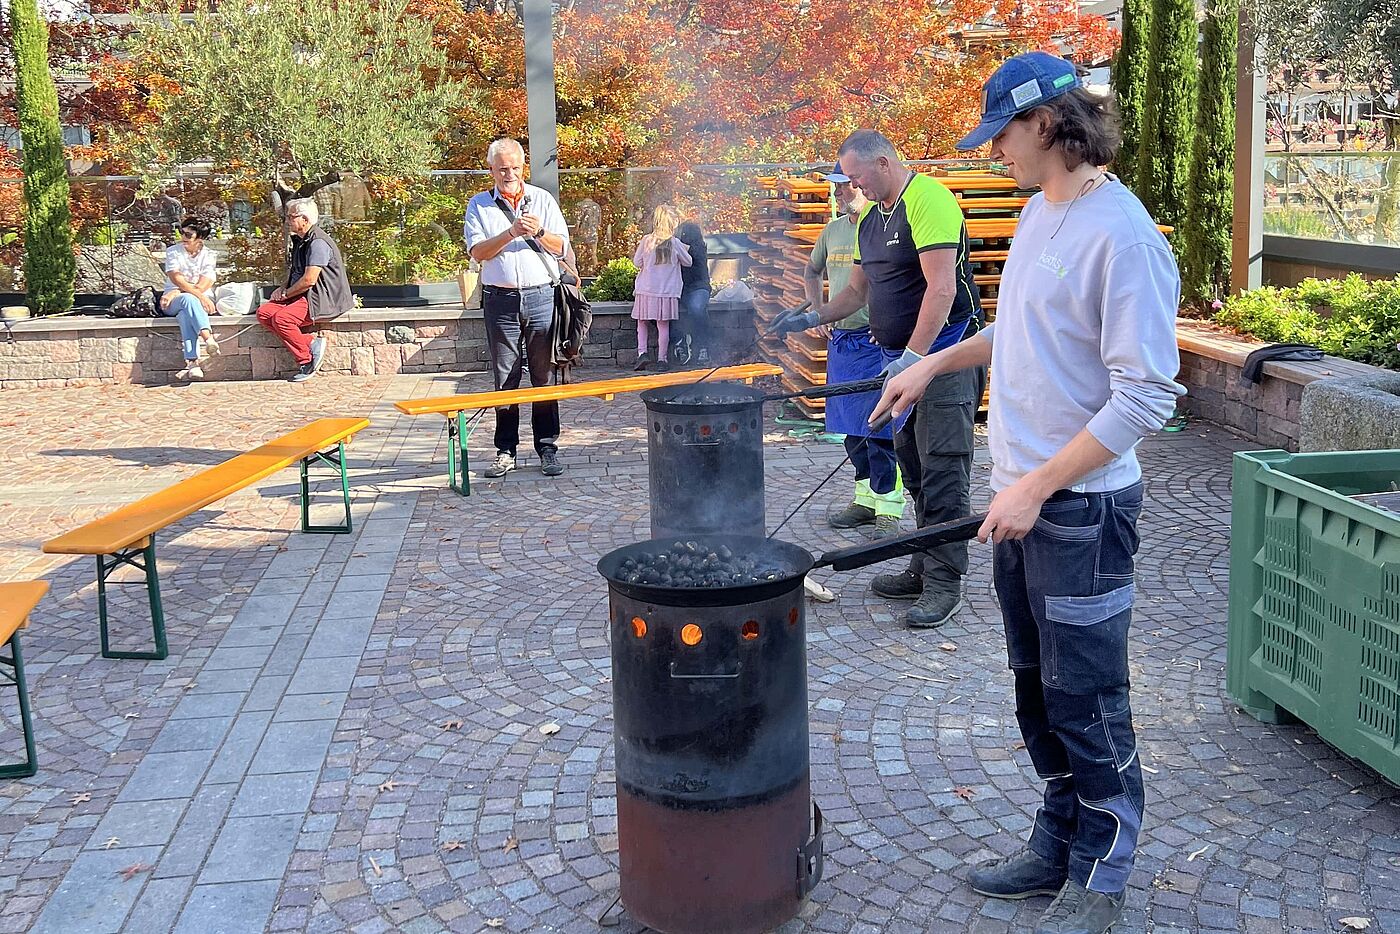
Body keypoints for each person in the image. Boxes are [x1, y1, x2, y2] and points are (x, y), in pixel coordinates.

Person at [871, 52, 1185, 934]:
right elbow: (1020, 330)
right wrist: (931, 359)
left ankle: (1104, 872)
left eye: (1001, 132)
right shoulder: (1046, 213)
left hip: (1081, 513)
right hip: (1023, 502)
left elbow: (1147, 395)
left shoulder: (1122, 235)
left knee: (1088, 697)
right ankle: (1058, 838)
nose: (993, 150)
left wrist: (1041, 486)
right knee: (1035, 688)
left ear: (1047, 123)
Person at [775, 129, 984, 628]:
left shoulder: (928, 199)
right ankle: (921, 561)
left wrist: (913, 357)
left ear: (884, 163)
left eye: (856, 176)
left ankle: (944, 581)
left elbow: (940, 289)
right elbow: (857, 293)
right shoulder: (870, 216)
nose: (852, 186)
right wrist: (810, 316)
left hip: (946, 356)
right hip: (900, 362)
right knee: (912, 466)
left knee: (944, 469)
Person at [801, 164, 905, 537]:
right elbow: (811, 273)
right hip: (843, 344)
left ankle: (889, 508)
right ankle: (864, 500)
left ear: (863, 184)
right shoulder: (832, 231)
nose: (838, 193)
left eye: (845, 186)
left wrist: (889, 322)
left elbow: (908, 281)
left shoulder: (885, 227)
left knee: (878, 430)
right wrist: (817, 311)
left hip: (874, 343)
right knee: (849, 429)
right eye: (835, 188)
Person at [463, 138, 571, 478]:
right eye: (501, 168)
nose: (508, 173)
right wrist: (511, 232)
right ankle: (505, 450)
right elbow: (478, 253)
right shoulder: (479, 205)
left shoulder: (543, 199)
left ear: (522, 167)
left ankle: (547, 447)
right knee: (505, 377)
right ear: (491, 170)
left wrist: (538, 231)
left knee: (544, 376)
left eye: (514, 167)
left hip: (541, 296)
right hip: (501, 299)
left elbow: (562, 247)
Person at [254, 198, 354, 382]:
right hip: (304, 295)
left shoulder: (318, 243)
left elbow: (309, 280)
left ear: (305, 220)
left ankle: (306, 361)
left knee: (283, 319)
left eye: (291, 217)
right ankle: (309, 342)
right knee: (264, 312)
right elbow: (297, 272)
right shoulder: (301, 240)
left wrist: (286, 295)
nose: (287, 221)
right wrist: (283, 287)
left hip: (321, 297)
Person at [631, 204, 692, 372]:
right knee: (662, 325)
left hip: (645, 289)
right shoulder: (674, 243)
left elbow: (637, 262)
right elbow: (689, 262)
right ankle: (662, 360)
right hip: (667, 291)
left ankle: (642, 353)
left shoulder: (647, 240)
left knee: (642, 323)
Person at [161, 218, 220, 381]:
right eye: (181, 232)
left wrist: (179, 292)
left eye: (188, 234)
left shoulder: (209, 255)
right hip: (172, 301)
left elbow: (206, 282)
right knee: (189, 300)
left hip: (185, 300)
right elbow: (176, 277)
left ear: (200, 237)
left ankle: (193, 363)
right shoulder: (173, 251)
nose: (183, 237)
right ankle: (208, 338)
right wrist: (198, 296)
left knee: (186, 315)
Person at [674, 205, 711, 365]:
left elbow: (692, 253)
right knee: (663, 312)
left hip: (699, 287)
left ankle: (703, 345)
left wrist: (673, 242)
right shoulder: (676, 246)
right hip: (680, 288)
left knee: (696, 309)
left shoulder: (699, 247)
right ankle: (679, 342)